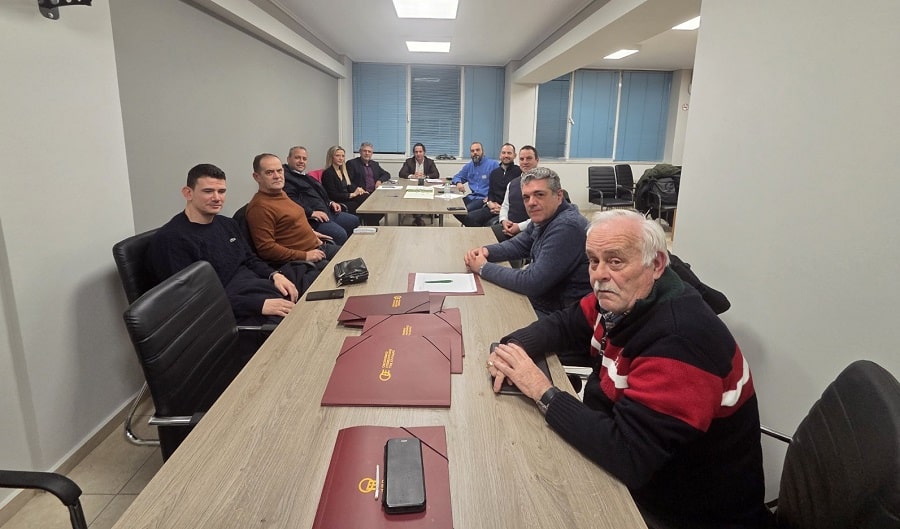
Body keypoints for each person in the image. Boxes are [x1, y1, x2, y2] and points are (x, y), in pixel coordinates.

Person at [486, 209, 769, 529]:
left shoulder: (680, 342)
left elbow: (628, 455)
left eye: (616, 261)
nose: (599, 275)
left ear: (656, 264)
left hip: (683, 510)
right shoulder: (624, 298)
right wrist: (513, 348)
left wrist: (542, 390)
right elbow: (565, 323)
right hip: (638, 465)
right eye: (593, 261)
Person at [147, 163, 303, 326]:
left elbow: (250, 259)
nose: (217, 198)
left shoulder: (227, 224)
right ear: (188, 193)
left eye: (221, 191)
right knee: (295, 325)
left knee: (307, 281)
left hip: (257, 287)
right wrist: (257, 305)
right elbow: (190, 299)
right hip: (230, 310)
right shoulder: (172, 239)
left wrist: (275, 275)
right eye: (208, 191)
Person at [464, 167, 591, 315]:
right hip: (543, 301)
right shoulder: (546, 217)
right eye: (526, 197)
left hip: (559, 314)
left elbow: (532, 282)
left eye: (539, 194)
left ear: (559, 196)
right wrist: (486, 251)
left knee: (485, 313)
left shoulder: (567, 227)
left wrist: (483, 268)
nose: (531, 202)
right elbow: (519, 245)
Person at [245, 153, 342, 265]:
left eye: (279, 171)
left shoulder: (281, 194)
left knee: (354, 254)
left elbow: (290, 222)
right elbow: (266, 249)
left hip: (317, 247)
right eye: (269, 172)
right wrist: (304, 256)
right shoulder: (259, 207)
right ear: (257, 177)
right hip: (303, 260)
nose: (277, 176)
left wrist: (310, 233)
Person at [283, 146, 358, 244]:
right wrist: (311, 213)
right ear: (288, 159)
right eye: (297, 158)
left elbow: (320, 194)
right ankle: (339, 252)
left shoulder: (305, 176)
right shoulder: (287, 179)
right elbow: (291, 201)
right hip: (314, 219)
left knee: (354, 220)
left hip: (327, 211)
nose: (301, 161)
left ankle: (351, 248)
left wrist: (330, 202)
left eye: (304, 159)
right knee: (340, 234)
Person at [464, 143, 520, 227]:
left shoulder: (518, 172)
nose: (506, 155)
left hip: (508, 210)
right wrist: (489, 203)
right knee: (469, 217)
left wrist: (503, 209)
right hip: (492, 207)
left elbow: (517, 198)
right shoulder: (495, 173)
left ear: (514, 155)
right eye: (503, 153)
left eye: (509, 153)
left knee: (490, 224)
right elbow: (491, 192)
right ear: (500, 155)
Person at [494, 145, 539, 241]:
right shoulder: (512, 183)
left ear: (537, 160)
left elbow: (543, 215)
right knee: (483, 236)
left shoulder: (543, 184)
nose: (525, 162)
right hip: (508, 228)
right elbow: (505, 206)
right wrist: (503, 220)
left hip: (530, 232)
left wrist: (519, 227)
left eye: (529, 158)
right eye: (522, 159)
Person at [451, 141, 500, 218]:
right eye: (472, 151)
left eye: (477, 150)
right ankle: (470, 224)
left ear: (483, 151)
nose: (475, 153)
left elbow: (500, 184)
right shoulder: (469, 166)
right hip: (472, 196)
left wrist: (492, 198)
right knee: (453, 208)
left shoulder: (493, 164)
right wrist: (458, 182)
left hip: (483, 198)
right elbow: (457, 177)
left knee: (464, 211)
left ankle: (472, 225)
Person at [398, 142, 440, 226]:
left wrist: (425, 176)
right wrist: (412, 176)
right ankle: (418, 217)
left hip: (426, 186)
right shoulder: (409, 161)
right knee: (414, 196)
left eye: (420, 151)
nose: (418, 154)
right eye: (416, 152)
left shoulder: (430, 162)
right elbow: (401, 173)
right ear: (414, 153)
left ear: (424, 152)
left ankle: (421, 215)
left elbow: (436, 174)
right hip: (412, 186)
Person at [321, 145, 368, 214]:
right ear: (331, 157)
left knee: (366, 197)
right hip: (338, 202)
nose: (341, 158)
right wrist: (352, 194)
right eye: (337, 156)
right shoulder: (328, 173)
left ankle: (371, 220)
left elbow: (348, 186)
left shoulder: (342, 171)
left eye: (343, 156)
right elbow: (332, 195)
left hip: (346, 198)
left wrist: (359, 190)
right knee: (360, 204)